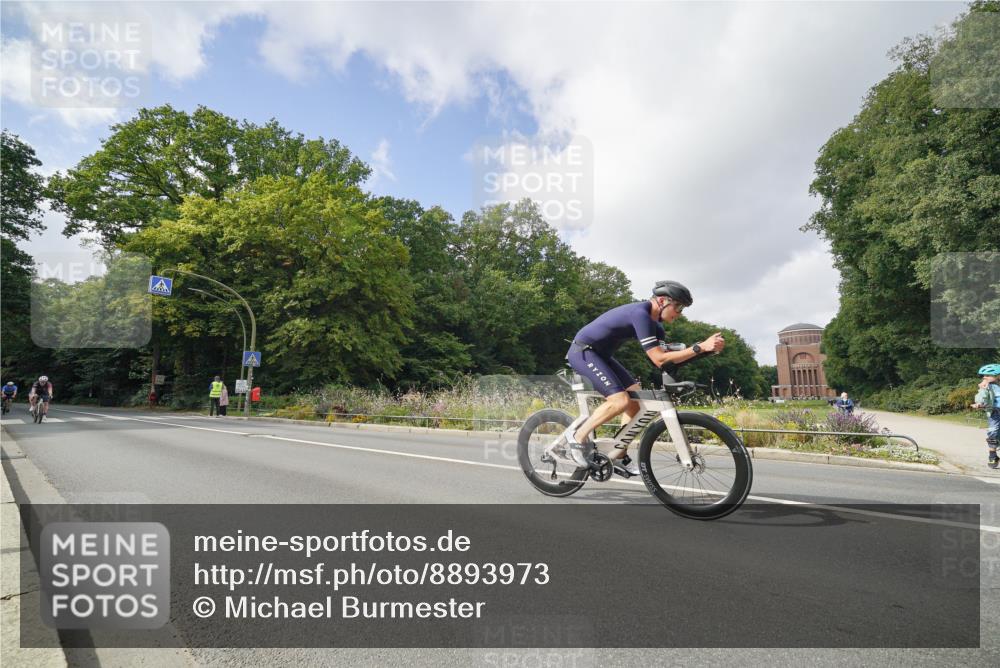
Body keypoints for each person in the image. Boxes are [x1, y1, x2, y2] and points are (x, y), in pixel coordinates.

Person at [563, 280, 725, 475]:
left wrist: (705, 351)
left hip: (602, 356)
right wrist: (700, 347)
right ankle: (577, 438)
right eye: (679, 306)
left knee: (636, 403)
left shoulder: (657, 327)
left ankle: (618, 455)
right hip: (583, 351)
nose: (680, 313)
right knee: (620, 401)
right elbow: (658, 359)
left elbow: (666, 361)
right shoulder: (641, 314)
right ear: (663, 300)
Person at [971, 364, 1000, 470]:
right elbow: (981, 397)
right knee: (993, 433)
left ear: (997, 376)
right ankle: (993, 457)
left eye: (987, 375)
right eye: (983, 375)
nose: (984, 377)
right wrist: (979, 403)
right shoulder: (986, 386)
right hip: (995, 413)